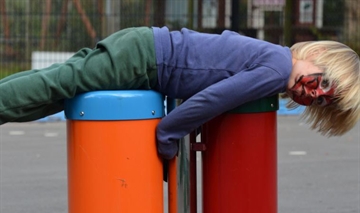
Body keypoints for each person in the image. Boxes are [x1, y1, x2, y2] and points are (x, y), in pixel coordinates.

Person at [0, 26, 359, 159]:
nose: (316, 95)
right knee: (58, 84)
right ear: (316, 54)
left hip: (144, 52)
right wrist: (170, 137)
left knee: (58, 88)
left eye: (325, 100)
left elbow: (214, 87)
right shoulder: (277, 69)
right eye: (323, 82)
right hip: (143, 59)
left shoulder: (272, 62)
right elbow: (210, 101)